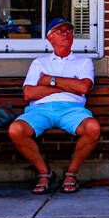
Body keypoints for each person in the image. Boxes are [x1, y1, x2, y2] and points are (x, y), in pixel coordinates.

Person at [8, 17, 101, 194]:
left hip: (72, 109)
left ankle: (71, 173)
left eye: (69, 30)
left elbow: (83, 87)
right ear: (50, 38)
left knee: (93, 128)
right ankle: (44, 172)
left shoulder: (84, 62)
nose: (66, 33)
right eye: (61, 31)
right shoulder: (39, 62)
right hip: (40, 110)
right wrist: (67, 86)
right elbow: (29, 94)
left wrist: (48, 81)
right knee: (16, 130)